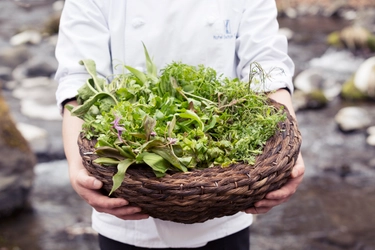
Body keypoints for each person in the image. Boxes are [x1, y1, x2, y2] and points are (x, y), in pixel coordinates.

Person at [55, 0, 305, 249]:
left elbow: (267, 67)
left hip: (225, 203)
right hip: (127, 216)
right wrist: (78, 169)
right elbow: (78, 83)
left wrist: (289, 152)